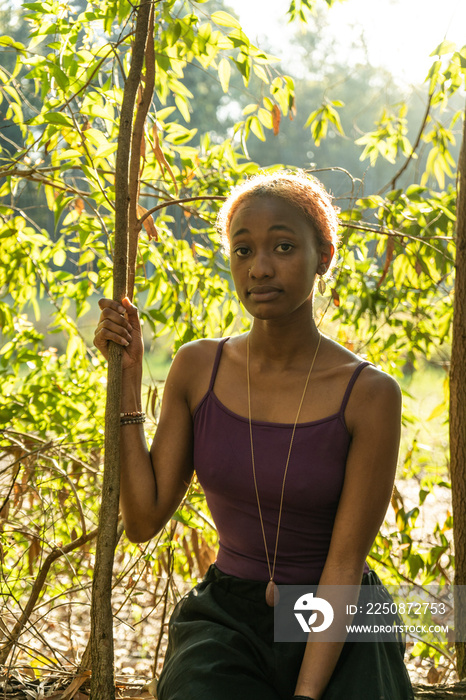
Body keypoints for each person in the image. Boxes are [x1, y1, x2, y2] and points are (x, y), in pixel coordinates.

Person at [93, 170, 414, 700]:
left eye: (283, 247)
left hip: (341, 611)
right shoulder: (199, 368)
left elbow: (344, 564)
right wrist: (128, 379)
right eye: (243, 251)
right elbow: (143, 519)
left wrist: (307, 695)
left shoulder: (370, 394)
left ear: (325, 255)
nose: (260, 268)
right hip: (229, 617)